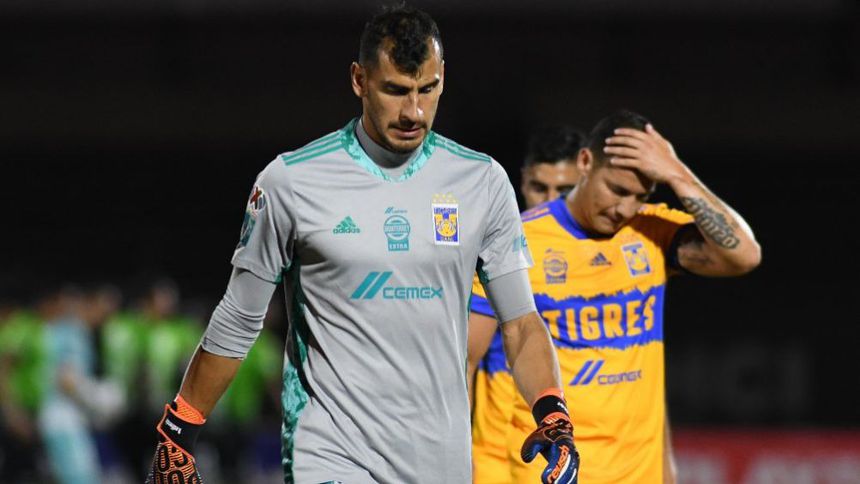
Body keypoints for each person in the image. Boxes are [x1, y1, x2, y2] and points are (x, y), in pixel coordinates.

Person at [146, 5, 578, 484]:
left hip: (440, 460)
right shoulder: (292, 182)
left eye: (427, 89)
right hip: (330, 454)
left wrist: (552, 411)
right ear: (359, 80)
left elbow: (520, 323)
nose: (413, 112)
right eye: (395, 90)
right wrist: (179, 429)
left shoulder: (482, 182)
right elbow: (240, 315)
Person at [468, 110, 762, 483]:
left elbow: (745, 256)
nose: (625, 208)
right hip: (555, 470)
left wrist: (678, 174)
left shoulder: (652, 233)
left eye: (640, 196)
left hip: (639, 474)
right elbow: (465, 360)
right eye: (617, 190)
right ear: (585, 162)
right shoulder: (520, 241)